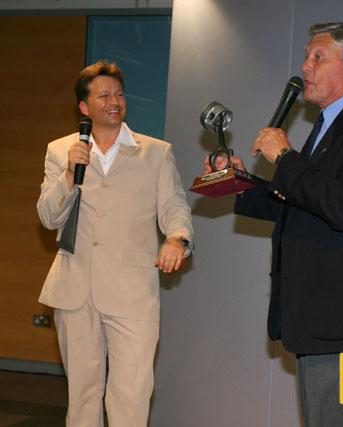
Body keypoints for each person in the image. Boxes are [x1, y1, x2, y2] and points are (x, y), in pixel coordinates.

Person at [205, 22, 343, 426]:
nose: (305, 66)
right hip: (318, 322)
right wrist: (239, 182)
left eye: (318, 57)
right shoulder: (328, 127)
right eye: (306, 57)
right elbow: (304, 205)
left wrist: (285, 157)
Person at [37, 60, 193, 426]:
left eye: (119, 95)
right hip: (74, 289)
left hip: (133, 290)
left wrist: (177, 239)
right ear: (84, 106)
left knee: (132, 395)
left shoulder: (155, 152)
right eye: (104, 96)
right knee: (82, 395)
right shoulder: (61, 151)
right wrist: (67, 175)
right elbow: (48, 217)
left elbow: (175, 207)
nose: (114, 102)